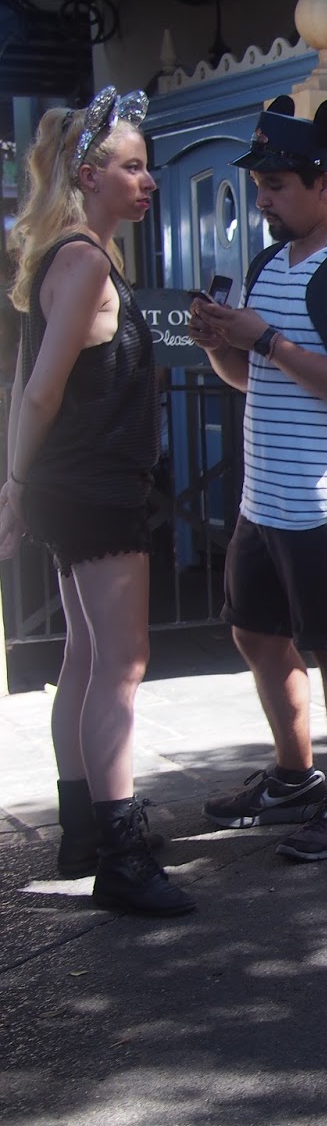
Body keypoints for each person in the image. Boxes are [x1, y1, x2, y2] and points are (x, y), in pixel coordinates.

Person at [189, 96, 327, 861]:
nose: (264, 199)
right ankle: (293, 775)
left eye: (277, 185)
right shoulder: (270, 262)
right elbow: (257, 378)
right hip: (267, 495)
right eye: (261, 186)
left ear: (325, 184)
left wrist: (267, 338)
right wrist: (220, 342)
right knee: (256, 632)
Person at [0, 89, 193, 916]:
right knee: (122, 664)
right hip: (92, 489)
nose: (147, 181)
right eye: (133, 167)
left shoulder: (79, 257)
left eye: (147, 167)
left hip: (76, 485)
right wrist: (14, 484)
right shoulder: (81, 261)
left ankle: (85, 829)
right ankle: (118, 854)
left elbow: (28, 383)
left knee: (85, 658)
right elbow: (38, 392)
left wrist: (18, 483)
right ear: (89, 175)